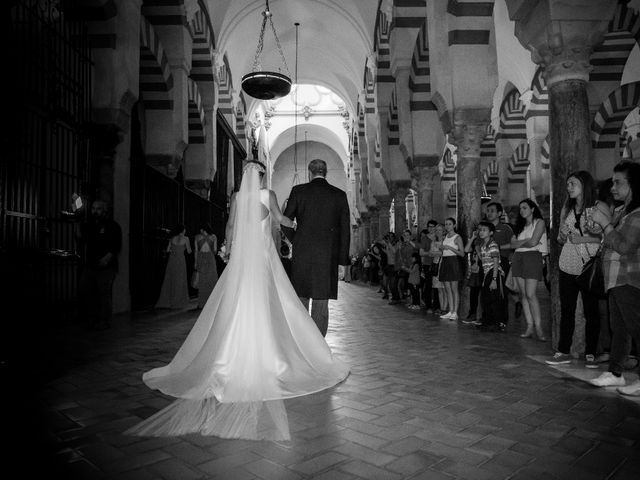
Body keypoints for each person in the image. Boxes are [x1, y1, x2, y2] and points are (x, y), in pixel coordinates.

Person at [126, 160, 349, 439]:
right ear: (263, 176)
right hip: (265, 263)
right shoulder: (269, 196)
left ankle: (232, 354)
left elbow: (230, 228)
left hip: (242, 264)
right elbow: (282, 221)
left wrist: (228, 250)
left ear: (244, 177)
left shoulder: (236, 197)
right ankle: (276, 354)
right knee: (274, 306)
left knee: (237, 305)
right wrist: (304, 226)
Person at [283, 159, 351, 337]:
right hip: (327, 255)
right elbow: (345, 230)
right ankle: (319, 345)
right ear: (325, 171)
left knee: (301, 298)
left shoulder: (299, 191)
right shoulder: (339, 195)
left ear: (309, 172)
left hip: (303, 253)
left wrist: (295, 240)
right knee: (321, 302)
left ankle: (303, 343)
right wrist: (343, 260)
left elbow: (285, 221)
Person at [589, 162, 640, 396]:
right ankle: (615, 373)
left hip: (629, 277)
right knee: (619, 328)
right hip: (614, 278)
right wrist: (600, 225)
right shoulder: (622, 211)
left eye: (618, 182)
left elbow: (625, 246)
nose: (613, 187)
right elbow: (610, 238)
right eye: (612, 182)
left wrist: (606, 224)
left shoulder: (638, 214)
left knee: (636, 328)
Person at [546, 171, 601, 368]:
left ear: (583, 186)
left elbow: (603, 238)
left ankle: (591, 352)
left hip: (588, 264)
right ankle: (562, 350)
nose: (569, 187)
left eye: (573, 184)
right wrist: (561, 236)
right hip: (568, 262)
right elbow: (561, 238)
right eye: (568, 183)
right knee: (567, 309)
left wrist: (582, 238)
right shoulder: (566, 208)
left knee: (591, 310)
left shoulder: (596, 209)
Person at [76, 200, 122, 330]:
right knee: (85, 290)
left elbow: (116, 246)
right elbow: (80, 237)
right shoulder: (90, 225)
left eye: (98, 209)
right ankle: (91, 319)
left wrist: (106, 259)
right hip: (90, 265)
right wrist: (77, 220)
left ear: (105, 211)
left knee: (104, 293)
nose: (95, 211)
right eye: (93, 208)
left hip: (107, 267)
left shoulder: (113, 226)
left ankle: (105, 321)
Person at [510, 199, 547, 341]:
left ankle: (539, 327)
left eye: (525, 208)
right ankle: (529, 326)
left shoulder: (539, 222)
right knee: (523, 294)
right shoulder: (519, 226)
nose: (522, 210)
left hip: (533, 257)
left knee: (531, 294)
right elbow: (513, 244)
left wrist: (521, 243)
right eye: (520, 208)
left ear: (532, 209)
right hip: (518, 257)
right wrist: (525, 242)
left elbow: (534, 242)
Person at [485, 201, 519, 321]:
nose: (489, 213)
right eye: (488, 211)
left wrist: (499, 247)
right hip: (486, 263)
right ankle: (489, 319)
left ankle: (502, 320)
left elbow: (514, 243)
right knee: (488, 291)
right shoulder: (485, 228)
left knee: (501, 291)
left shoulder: (505, 228)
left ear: (499, 213)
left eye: (492, 211)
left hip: (501, 261)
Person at [475, 221, 507, 331]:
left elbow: (496, 261)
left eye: (484, 230)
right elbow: (483, 260)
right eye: (480, 230)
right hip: (487, 273)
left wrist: (494, 279)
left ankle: (497, 323)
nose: (481, 232)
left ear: (491, 232)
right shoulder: (483, 245)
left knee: (494, 299)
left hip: (494, 272)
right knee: (486, 299)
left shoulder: (492, 244)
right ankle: (488, 322)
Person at [155, 224, 191, 309]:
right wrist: (183, 249)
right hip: (181, 261)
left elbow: (168, 250)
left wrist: (174, 250)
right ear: (183, 230)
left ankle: (168, 301)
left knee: (170, 279)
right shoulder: (186, 238)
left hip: (172, 261)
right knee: (180, 280)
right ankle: (178, 301)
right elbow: (189, 251)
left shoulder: (172, 238)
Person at [438, 217, 465, 321]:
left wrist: (450, 248)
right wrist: (442, 247)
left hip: (453, 262)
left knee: (454, 289)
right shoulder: (445, 237)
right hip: (445, 261)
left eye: (449, 224)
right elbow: (443, 250)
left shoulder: (457, 237)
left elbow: (462, 253)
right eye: (446, 224)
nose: (447, 226)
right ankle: (450, 311)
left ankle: (455, 312)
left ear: (454, 225)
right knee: (447, 288)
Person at [193, 223, 218, 309]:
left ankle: (202, 303)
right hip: (210, 258)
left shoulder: (197, 237)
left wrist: (195, 263)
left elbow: (196, 251)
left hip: (201, 258)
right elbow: (215, 250)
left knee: (202, 281)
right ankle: (212, 303)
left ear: (203, 229)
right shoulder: (214, 237)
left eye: (201, 229)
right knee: (211, 280)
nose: (200, 231)